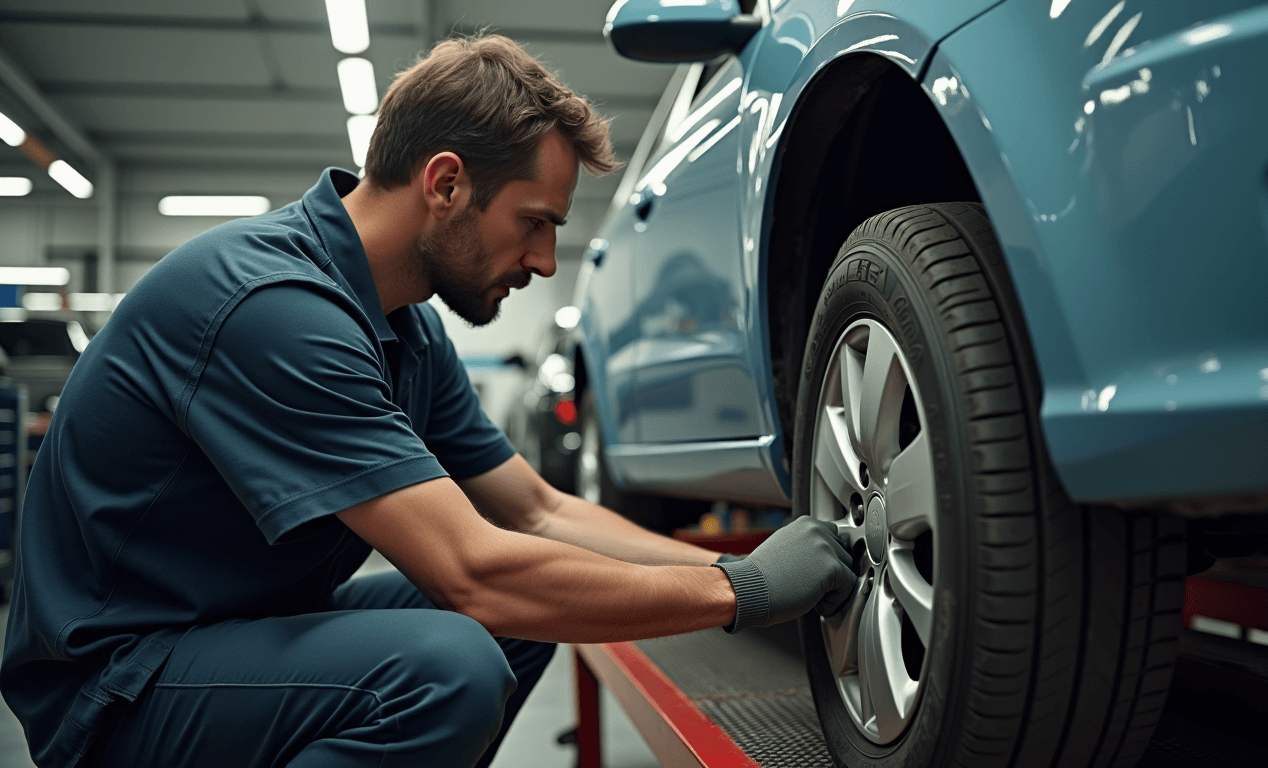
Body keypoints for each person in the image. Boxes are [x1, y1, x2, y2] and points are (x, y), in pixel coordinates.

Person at [0, 36, 856, 768]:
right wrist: (741, 592)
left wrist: (729, 568)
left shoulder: (403, 327)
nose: (548, 261)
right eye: (534, 222)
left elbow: (537, 513)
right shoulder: (272, 308)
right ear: (445, 184)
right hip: (119, 684)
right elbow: (475, 571)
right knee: (452, 660)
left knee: (526, 619)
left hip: (233, 629)